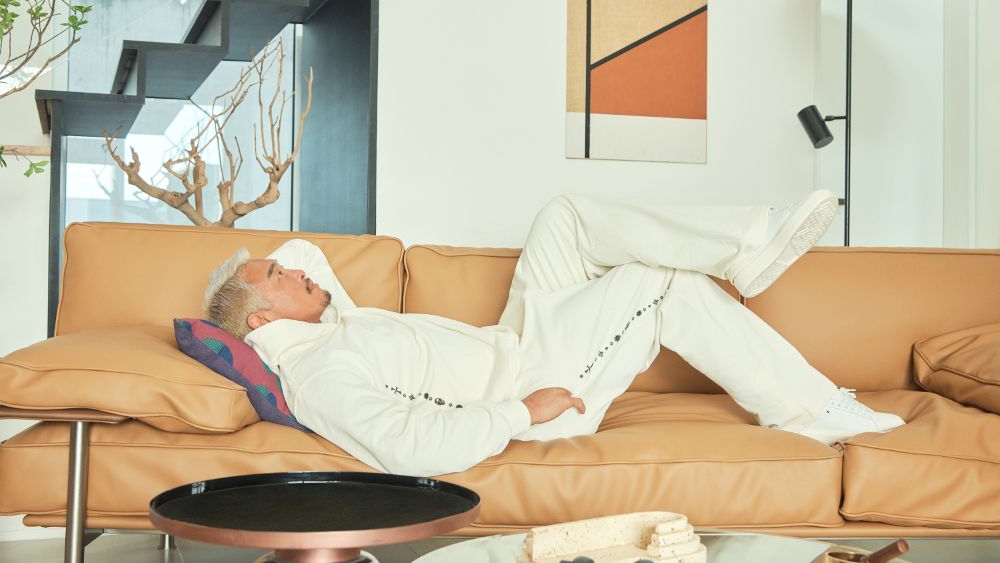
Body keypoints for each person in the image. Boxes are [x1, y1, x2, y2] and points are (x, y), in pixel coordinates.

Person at [204, 190, 904, 477]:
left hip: (514, 341)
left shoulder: (328, 322)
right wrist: (523, 412)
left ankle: (746, 248)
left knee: (563, 217)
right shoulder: (320, 373)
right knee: (659, 284)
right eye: (279, 276)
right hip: (530, 390)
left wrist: (262, 284)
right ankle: (810, 409)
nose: (298, 269)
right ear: (261, 320)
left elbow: (303, 250)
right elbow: (411, 445)